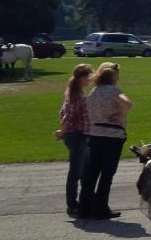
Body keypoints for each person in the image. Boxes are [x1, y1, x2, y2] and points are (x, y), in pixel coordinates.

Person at [79, 62, 132, 219]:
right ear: (113, 77)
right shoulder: (113, 90)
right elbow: (127, 104)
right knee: (107, 174)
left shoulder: (94, 91)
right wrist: (121, 116)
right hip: (112, 136)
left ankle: (85, 207)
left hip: (95, 134)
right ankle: (101, 207)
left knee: (91, 172)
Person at [54, 63, 93, 217]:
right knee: (76, 172)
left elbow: (62, 112)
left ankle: (85, 201)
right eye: (89, 77)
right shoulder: (76, 95)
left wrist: (63, 130)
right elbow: (69, 117)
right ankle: (72, 205)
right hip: (77, 136)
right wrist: (62, 132)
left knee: (84, 171)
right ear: (82, 77)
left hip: (79, 135)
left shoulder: (73, 91)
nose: (90, 80)